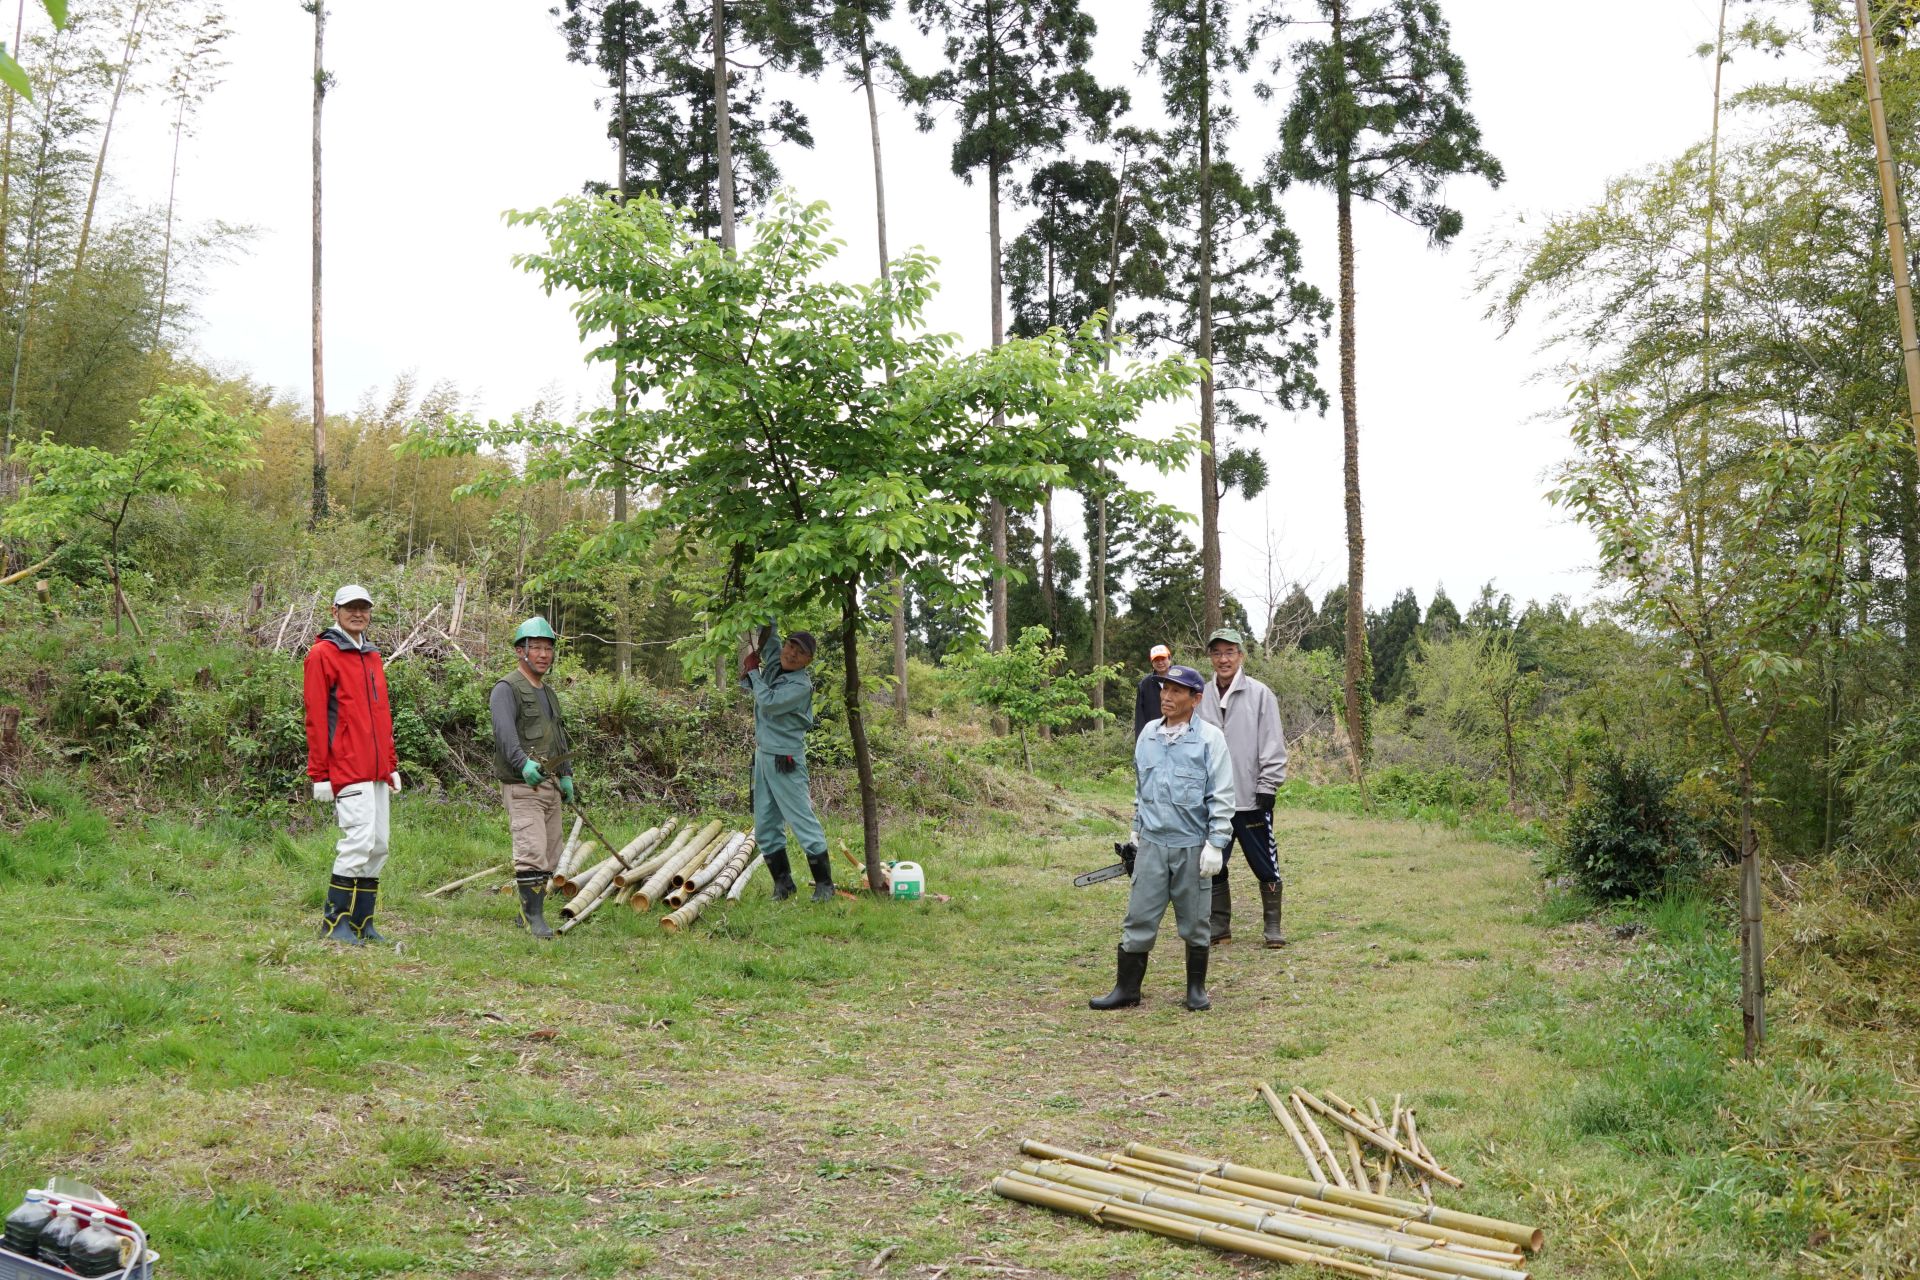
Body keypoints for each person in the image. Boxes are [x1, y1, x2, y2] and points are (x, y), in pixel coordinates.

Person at [1090, 664, 1235, 1012]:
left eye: (1176, 691)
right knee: (1138, 917)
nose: (1166, 697)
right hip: (1152, 844)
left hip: (1191, 845)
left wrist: (1216, 844)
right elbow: (1142, 788)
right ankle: (1127, 989)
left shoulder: (1210, 739)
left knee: (1195, 922)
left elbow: (1222, 794)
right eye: (1164, 689)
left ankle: (1196, 989)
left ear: (1195, 699)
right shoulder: (1149, 735)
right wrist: (1136, 829)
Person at [303, 584, 402, 946]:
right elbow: (316, 718)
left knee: (378, 845)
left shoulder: (371, 655)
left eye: (364, 608)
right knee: (357, 842)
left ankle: (363, 923)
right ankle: (334, 924)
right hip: (346, 768)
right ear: (335, 611)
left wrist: (390, 764)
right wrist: (320, 775)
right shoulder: (322, 654)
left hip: (376, 770)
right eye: (350, 608)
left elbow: (382, 716)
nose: (358, 614)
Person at [1196, 627, 1288, 947]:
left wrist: (1269, 785)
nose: (1223, 659)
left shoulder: (1261, 694)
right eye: (1217, 653)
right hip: (1213, 799)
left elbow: (1273, 742)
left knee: (1265, 864)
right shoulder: (1201, 696)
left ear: (1241, 656)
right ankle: (1219, 926)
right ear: (1211, 657)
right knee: (1212, 862)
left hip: (1251, 797)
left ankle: (1272, 927)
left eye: (1229, 652)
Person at [490, 617, 575, 938]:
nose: (543, 654)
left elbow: (559, 738)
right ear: (520, 651)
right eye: (536, 647)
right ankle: (533, 920)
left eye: (548, 649)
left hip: (550, 785)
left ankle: (525, 912)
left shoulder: (549, 693)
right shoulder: (506, 688)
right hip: (522, 784)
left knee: (551, 854)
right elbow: (504, 734)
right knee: (532, 851)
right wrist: (523, 764)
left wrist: (566, 776)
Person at [740, 620, 833, 902]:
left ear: (808, 661)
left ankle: (825, 885)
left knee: (801, 819)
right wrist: (758, 605)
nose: (792, 653)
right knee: (765, 824)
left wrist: (753, 672)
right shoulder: (776, 661)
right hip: (763, 756)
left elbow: (768, 701)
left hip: (785, 759)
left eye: (800, 652)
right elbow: (770, 633)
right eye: (791, 646)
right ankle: (783, 884)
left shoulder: (801, 686)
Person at [1132, 643, 1174, 739]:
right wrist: (1140, 740)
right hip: (1153, 736)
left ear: (1169, 659)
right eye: (1156, 660)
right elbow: (1140, 715)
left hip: (1177, 733)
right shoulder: (1144, 684)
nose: (1160, 662)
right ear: (1152, 663)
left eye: (1163, 659)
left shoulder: (1180, 680)